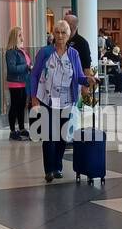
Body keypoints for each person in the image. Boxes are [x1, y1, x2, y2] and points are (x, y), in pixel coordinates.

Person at [29, 21, 92, 183]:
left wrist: (88, 80)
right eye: (57, 32)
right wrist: (33, 97)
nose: (60, 36)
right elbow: (34, 75)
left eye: (63, 32)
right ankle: (49, 169)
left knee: (62, 135)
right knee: (49, 135)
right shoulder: (45, 52)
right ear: (53, 34)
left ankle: (58, 167)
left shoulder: (73, 54)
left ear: (68, 35)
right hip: (47, 98)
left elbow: (79, 76)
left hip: (66, 100)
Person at [4, 26, 31, 141]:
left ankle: (21, 128)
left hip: (24, 82)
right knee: (15, 106)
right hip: (15, 83)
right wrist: (26, 66)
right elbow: (12, 68)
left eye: (21, 34)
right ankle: (12, 131)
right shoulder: (11, 52)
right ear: (14, 37)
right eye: (19, 35)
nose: (21, 37)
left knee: (21, 106)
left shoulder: (22, 50)